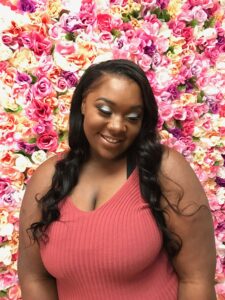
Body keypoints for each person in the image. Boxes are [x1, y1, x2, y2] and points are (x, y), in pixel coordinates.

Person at [18, 59, 216, 300]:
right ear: (83, 104)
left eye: (133, 117)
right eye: (104, 110)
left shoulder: (164, 169)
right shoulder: (48, 178)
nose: (117, 126)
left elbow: (196, 280)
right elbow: (34, 278)